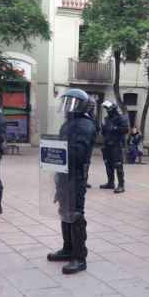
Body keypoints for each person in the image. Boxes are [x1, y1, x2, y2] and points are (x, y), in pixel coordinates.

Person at [47, 89, 97, 274]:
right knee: (64, 211)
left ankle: (79, 256)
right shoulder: (69, 124)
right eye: (67, 102)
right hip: (64, 175)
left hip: (76, 176)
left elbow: (79, 153)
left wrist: (62, 151)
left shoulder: (85, 125)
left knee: (75, 214)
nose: (68, 106)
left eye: (72, 102)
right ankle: (68, 248)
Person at [99, 100, 129, 193]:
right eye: (106, 109)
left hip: (116, 144)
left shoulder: (121, 118)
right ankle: (110, 183)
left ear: (113, 109)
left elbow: (125, 129)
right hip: (107, 144)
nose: (107, 111)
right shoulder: (107, 118)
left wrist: (115, 128)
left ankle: (121, 185)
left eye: (108, 109)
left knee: (118, 164)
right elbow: (104, 132)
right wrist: (103, 129)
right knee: (108, 164)